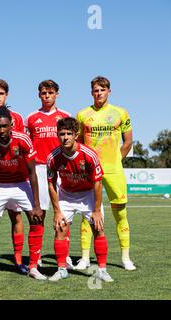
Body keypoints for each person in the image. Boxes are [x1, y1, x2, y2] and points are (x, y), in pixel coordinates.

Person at [0, 106, 45, 280]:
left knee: (36, 217)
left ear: (11, 125)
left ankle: (34, 266)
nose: (1, 130)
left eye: (4, 126)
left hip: (20, 183)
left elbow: (32, 173)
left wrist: (36, 205)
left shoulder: (23, 139)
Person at [76, 76, 135, 271]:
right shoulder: (82, 115)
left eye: (102, 89)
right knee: (88, 215)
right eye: (95, 90)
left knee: (121, 213)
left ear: (109, 91)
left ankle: (125, 257)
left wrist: (115, 160)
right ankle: (85, 257)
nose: (99, 93)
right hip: (90, 171)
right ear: (91, 92)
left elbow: (127, 142)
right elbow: (79, 143)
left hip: (114, 171)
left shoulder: (121, 113)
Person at [47, 117, 113, 282]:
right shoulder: (53, 157)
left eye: (69, 133)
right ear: (57, 135)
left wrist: (97, 210)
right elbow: (51, 184)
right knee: (60, 229)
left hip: (88, 194)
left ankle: (102, 270)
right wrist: (56, 211)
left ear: (76, 135)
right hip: (66, 195)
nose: (66, 137)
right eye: (62, 134)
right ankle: (62, 269)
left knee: (98, 229)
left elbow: (98, 183)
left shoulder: (89, 155)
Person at [24, 80, 73, 270]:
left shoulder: (65, 115)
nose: (47, 95)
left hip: (62, 168)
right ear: (39, 95)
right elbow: (28, 144)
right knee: (39, 213)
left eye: (50, 92)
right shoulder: (31, 117)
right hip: (39, 169)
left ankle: (64, 255)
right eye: (43, 92)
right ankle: (37, 256)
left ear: (57, 94)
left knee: (64, 213)